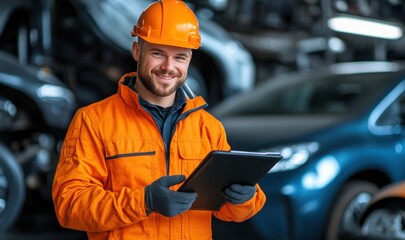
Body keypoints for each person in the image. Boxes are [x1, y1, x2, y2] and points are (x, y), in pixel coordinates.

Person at [51, 0, 266, 239]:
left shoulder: (208, 128)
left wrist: (245, 199)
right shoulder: (93, 121)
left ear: (189, 61)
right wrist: (145, 201)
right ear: (136, 51)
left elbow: (230, 213)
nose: (168, 67)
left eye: (180, 57)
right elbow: (69, 206)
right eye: (157, 53)